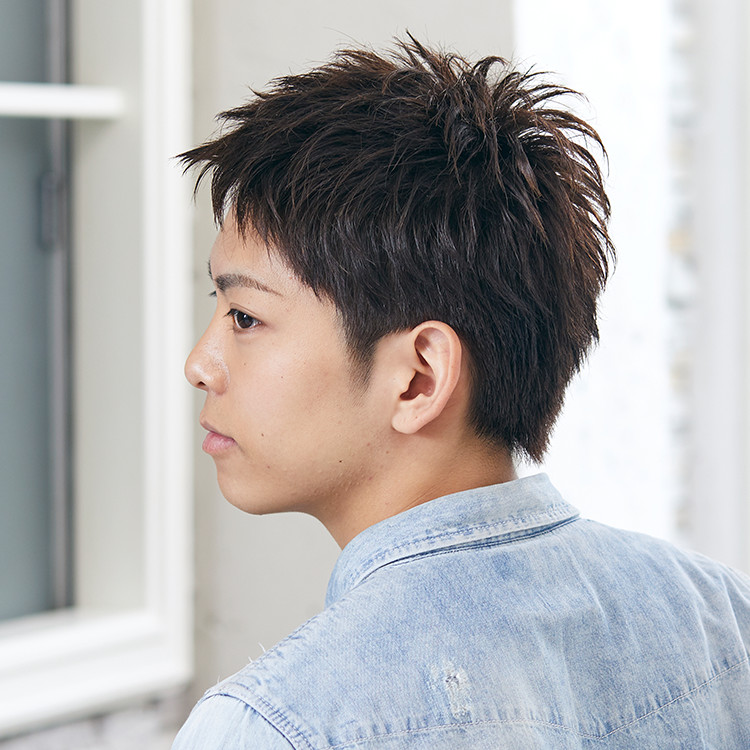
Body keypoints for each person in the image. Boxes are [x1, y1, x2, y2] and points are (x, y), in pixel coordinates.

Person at [173, 36, 750, 749]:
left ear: (420, 377)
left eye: (244, 317)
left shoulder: (274, 726)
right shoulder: (724, 619)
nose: (200, 364)